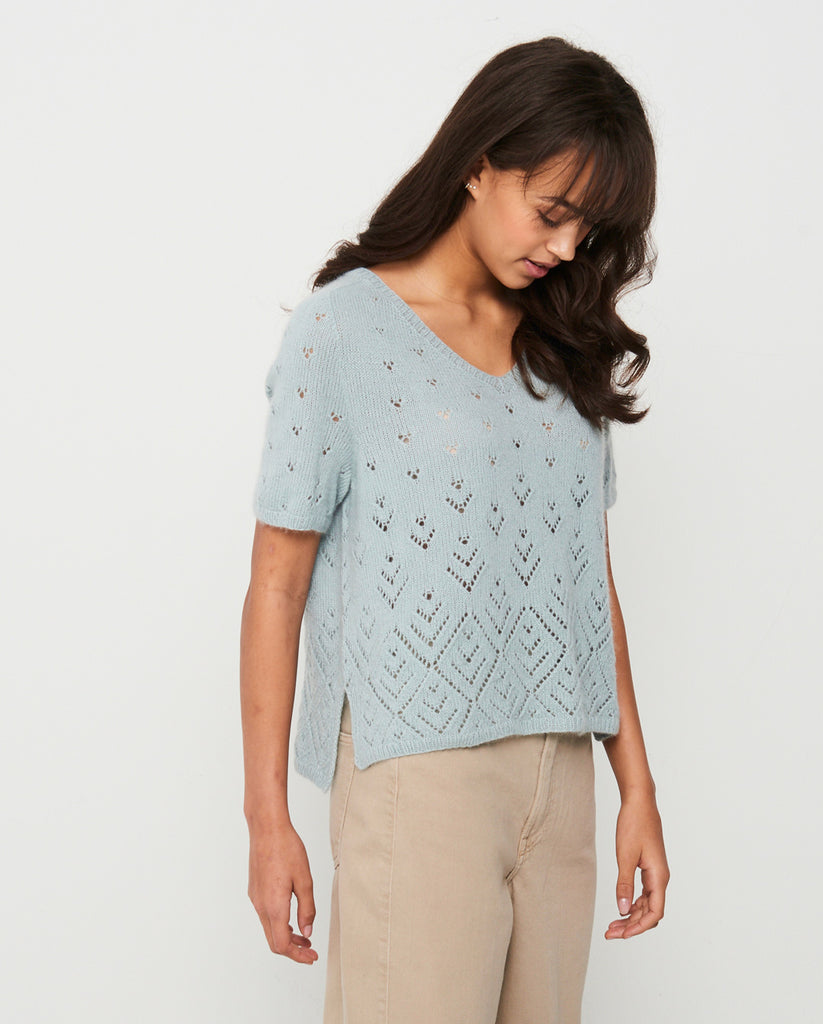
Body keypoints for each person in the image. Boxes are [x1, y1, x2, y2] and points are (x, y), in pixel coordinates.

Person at [240, 35, 669, 1024]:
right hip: (417, 772)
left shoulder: (561, 341)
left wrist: (636, 785)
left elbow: (585, 576)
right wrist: (267, 818)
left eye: (589, 229)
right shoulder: (342, 332)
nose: (567, 248)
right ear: (479, 162)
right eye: (552, 212)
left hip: (560, 775)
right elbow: (276, 583)